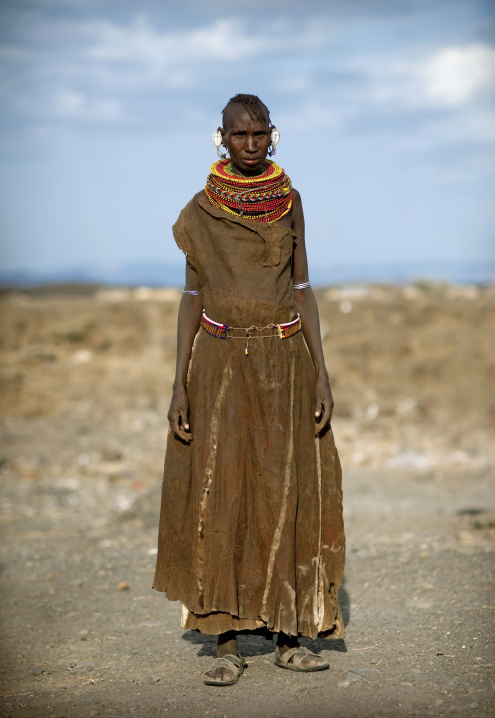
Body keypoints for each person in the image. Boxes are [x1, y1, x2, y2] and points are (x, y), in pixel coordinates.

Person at [153, 94, 345, 686]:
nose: (251, 144)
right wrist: (180, 383)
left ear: (274, 135)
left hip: (284, 361)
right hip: (220, 365)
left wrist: (321, 368)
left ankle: (290, 637)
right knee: (222, 493)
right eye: (240, 135)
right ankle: (227, 642)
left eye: (260, 133)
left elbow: (304, 284)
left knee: (285, 491)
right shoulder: (200, 211)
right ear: (221, 138)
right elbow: (191, 298)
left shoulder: (290, 202)